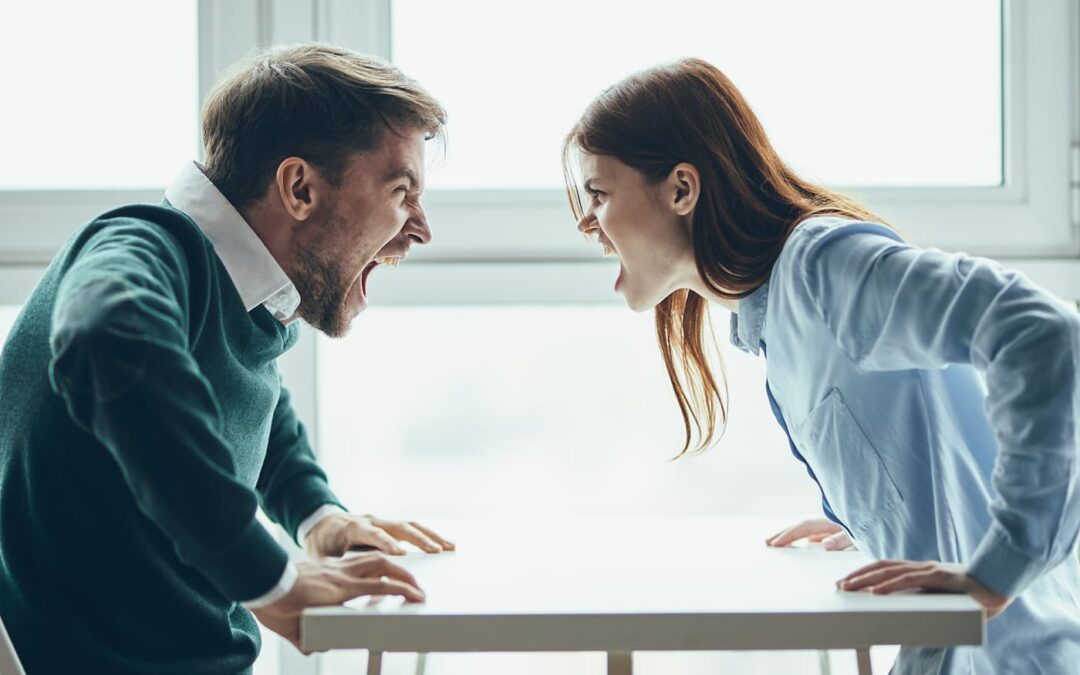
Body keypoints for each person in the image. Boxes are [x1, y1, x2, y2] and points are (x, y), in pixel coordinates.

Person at [563, 57, 1080, 673]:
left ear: (681, 189)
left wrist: (997, 571)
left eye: (598, 194)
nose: (586, 223)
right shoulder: (772, 314)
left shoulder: (823, 265)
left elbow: (1042, 332)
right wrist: (869, 513)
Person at [0, 44, 455, 674]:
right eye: (401, 190)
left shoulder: (238, 297)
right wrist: (269, 581)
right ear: (300, 188)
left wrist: (316, 516)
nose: (421, 227)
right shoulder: (140, 249)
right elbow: (106, 342)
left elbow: (249, 403)